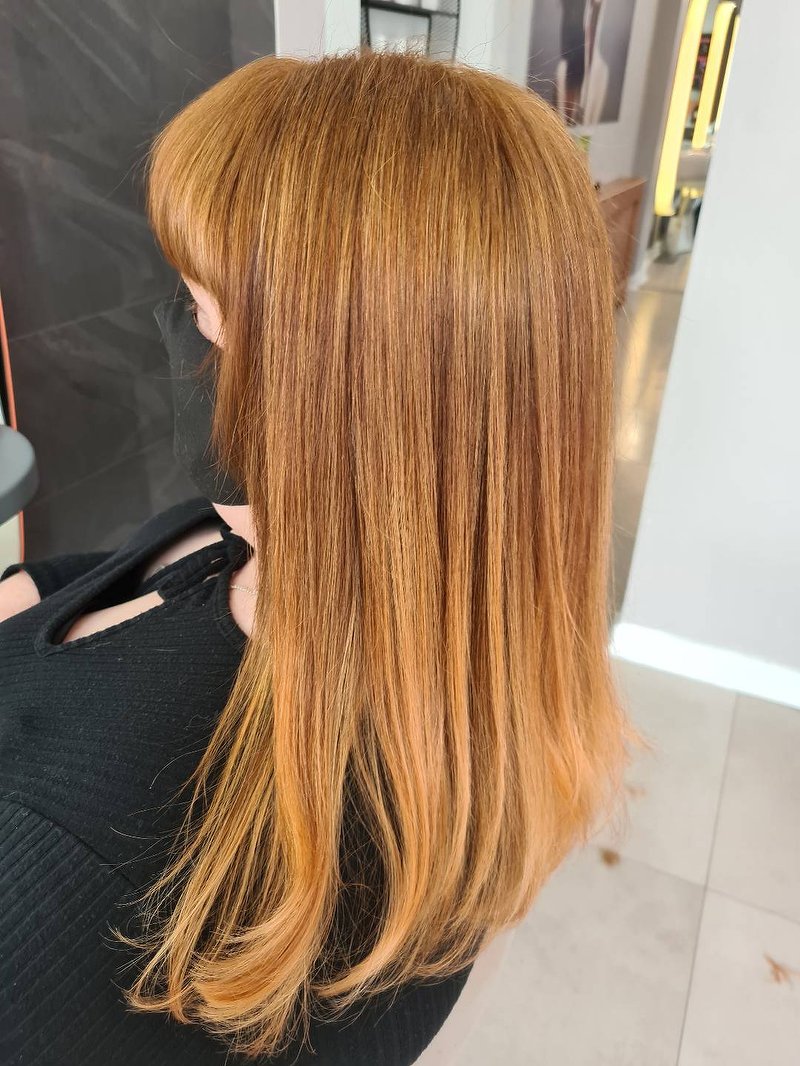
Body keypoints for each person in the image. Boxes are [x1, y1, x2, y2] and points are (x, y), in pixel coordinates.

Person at [0, 49, 632, 1065]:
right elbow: (118, 569)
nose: (186, 323)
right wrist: (29, 589)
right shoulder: (474, 677)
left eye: (200, 300)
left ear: (321, 382)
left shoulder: (70, 854)